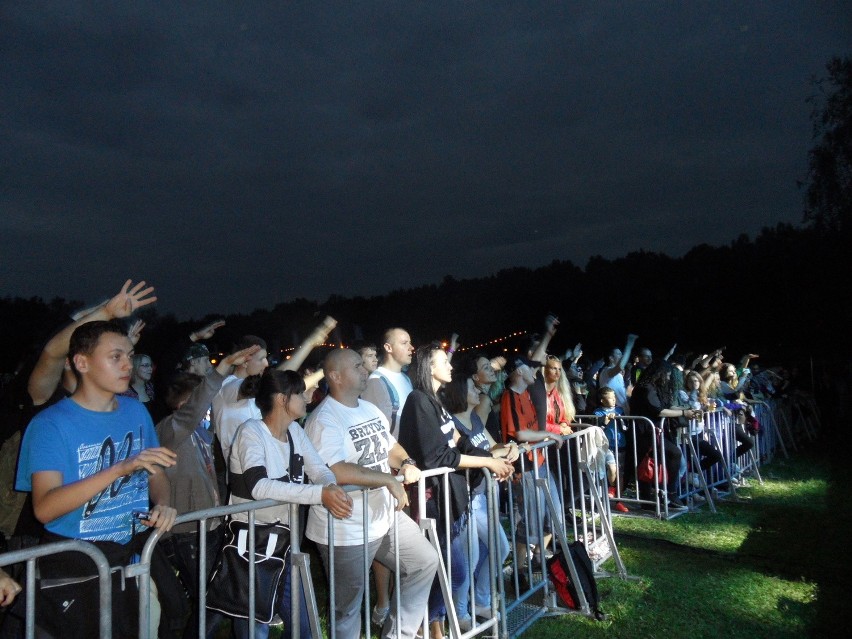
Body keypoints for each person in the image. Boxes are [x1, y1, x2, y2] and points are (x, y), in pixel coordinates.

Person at [15, 319, 178, 638]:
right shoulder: (51, 425)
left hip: (128, 563)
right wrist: (120, 468)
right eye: (115, 356)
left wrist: (163, 503)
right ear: (81, 362)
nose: (127, 364)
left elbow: (155, 472)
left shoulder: (136, 412)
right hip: (74, 571)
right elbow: (45, 508)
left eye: (129, 356)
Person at [304, 348, 438, 639]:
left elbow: (390, 447)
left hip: (383, 517)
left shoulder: (369, 408)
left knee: (425, 561)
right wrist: (388, 481)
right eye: (356, 366)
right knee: (348, 609)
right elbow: (335, 470)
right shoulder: (324, 420)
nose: (365, 369)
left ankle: (397, 634)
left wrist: (406, 462)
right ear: (335, 376)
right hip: (345, 528)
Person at [228, 368, 353, 639]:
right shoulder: (250, 432)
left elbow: (319, 469)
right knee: (254, 624)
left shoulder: (295, 430)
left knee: (304, 626)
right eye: (300, 393)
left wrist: (329, 486)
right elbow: (259, 487)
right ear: (282, 399)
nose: (307, 398)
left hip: (284, 542)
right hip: (253, 546)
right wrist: (319, 495)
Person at [398, 345, 513, 638]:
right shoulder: (417, 401)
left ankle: (430, 622)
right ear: (428, 367)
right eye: (443, 362)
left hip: (451, 499)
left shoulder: (435, 402)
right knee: (456, 570)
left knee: (451, 569)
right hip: (433, 502)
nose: (450, 366)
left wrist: (493, 460)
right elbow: (438, 457)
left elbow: (460, 443)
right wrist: (487, 461)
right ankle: (416, 622)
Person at [156, 344, 261, 639]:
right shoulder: (169, 431)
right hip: (187, 530)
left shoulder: (203, 433)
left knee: (214, 596)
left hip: (210, 523)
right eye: (202, 402)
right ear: (185, 402)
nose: (209, 407)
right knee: (212, 598)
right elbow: (194, 411)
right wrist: (222, 366)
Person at [438, 355, 517, 630]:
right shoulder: (453, 425)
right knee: (471, 557)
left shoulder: (473, 417)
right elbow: (465, 458)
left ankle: (480, 599)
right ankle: (459, 613)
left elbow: (491, 447)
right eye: (473, 387)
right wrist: (495, 455)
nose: (478, 390)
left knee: (499, 546)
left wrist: (511, 449)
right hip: (468, 502)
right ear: (461, 391)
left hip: (483, 498)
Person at [630, 360, 700, 510]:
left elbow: (666, 407)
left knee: (653, 461)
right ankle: (669, 495)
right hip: (645, 431)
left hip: (653, 430)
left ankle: (652, 499)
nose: (668, 378)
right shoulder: (645, 388)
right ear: (659, 374)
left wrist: (686, 409)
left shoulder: (653, 388)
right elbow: (658, 411)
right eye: (667, 375)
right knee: (667, 456)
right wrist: (683, 412)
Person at [362, 328, 415, 440]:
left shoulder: (406, 378)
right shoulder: (376, 381)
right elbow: (379, 429)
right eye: (404, 343)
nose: (411, 348)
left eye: (410, 343)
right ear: (388, 347)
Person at [594, 387, 629, 512]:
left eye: (614, 397)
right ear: (602, 400)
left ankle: (619, 500)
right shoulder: (597, 412)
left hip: (621, 444)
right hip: (606, 446)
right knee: (609, 469)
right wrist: (605, 420)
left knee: (619, 472)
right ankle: (607, 493)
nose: (613, 400)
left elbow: (626, 427)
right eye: (610, 397)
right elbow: (597, 429)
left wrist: (619, 418)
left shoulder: (619, 410)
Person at [598, 334, 638, 410]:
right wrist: (629, 346)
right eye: (619, 354)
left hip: (622, 412)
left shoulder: (617, 374)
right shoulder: (606, 372)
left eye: (621, 354)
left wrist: (628, 393)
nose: (621, 356)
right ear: (611, 358)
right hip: (613, 414)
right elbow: (620, 366)